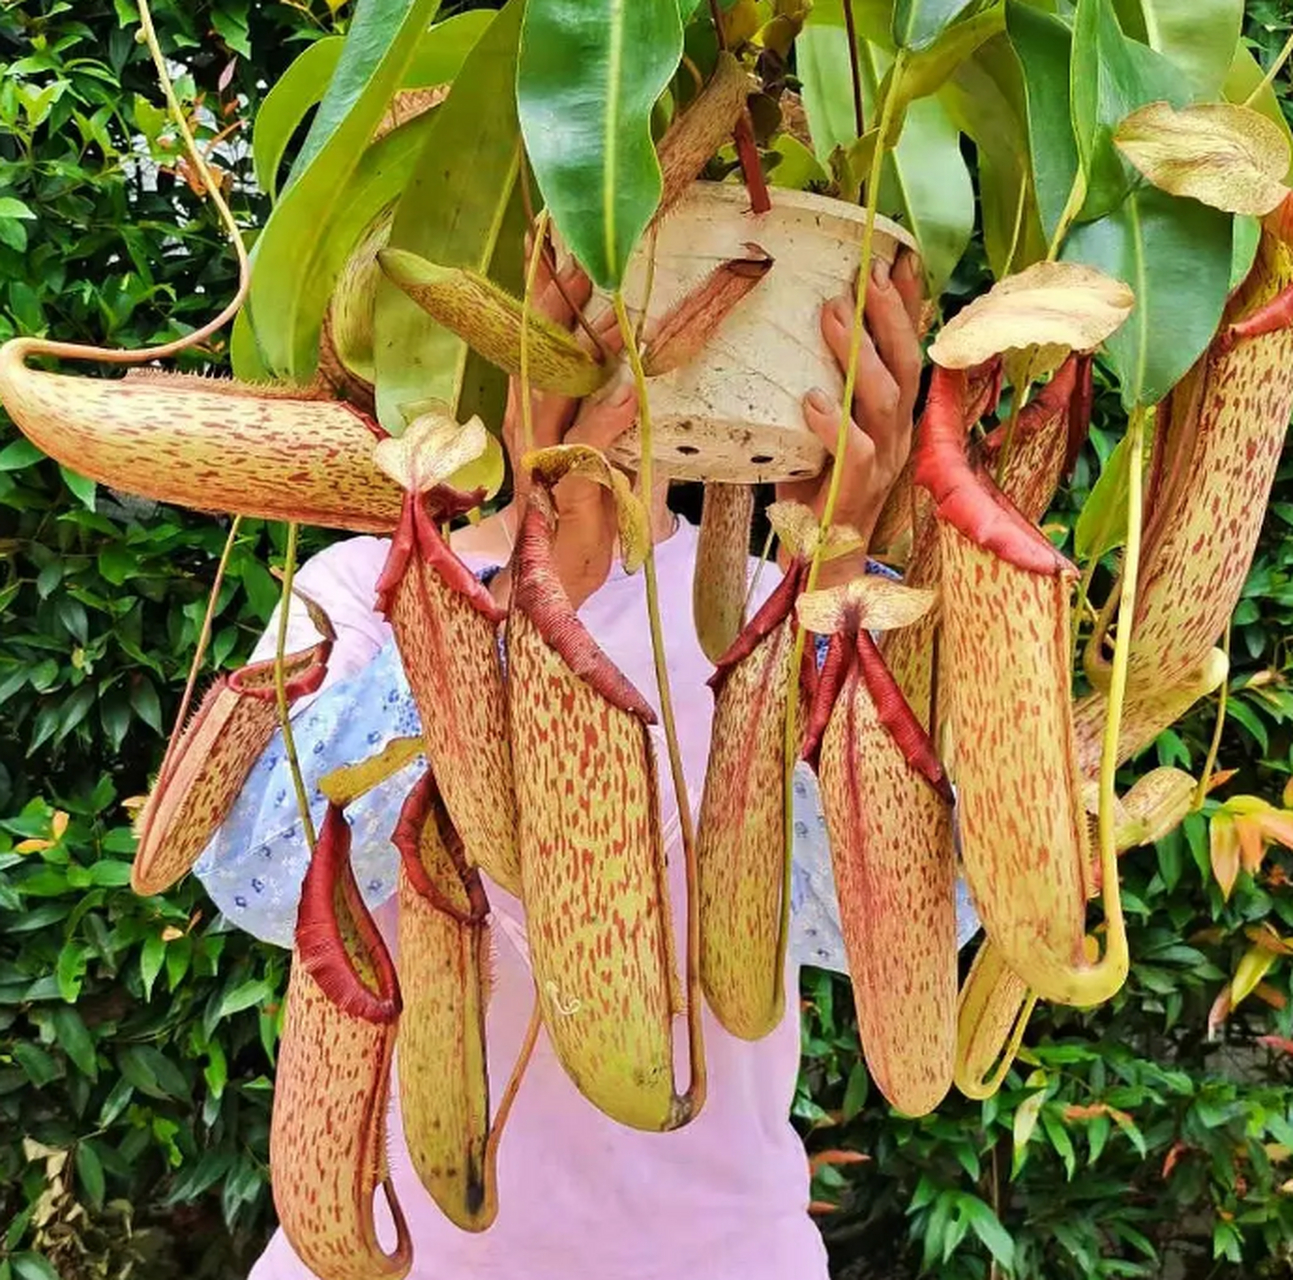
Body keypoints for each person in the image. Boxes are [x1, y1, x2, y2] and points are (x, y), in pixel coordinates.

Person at [196, 244, 978, 1280]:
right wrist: (532, 585)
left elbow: (904, 941)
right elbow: (253, 868)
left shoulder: (754, 607)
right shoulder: (366, 588)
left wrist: (832, 577)